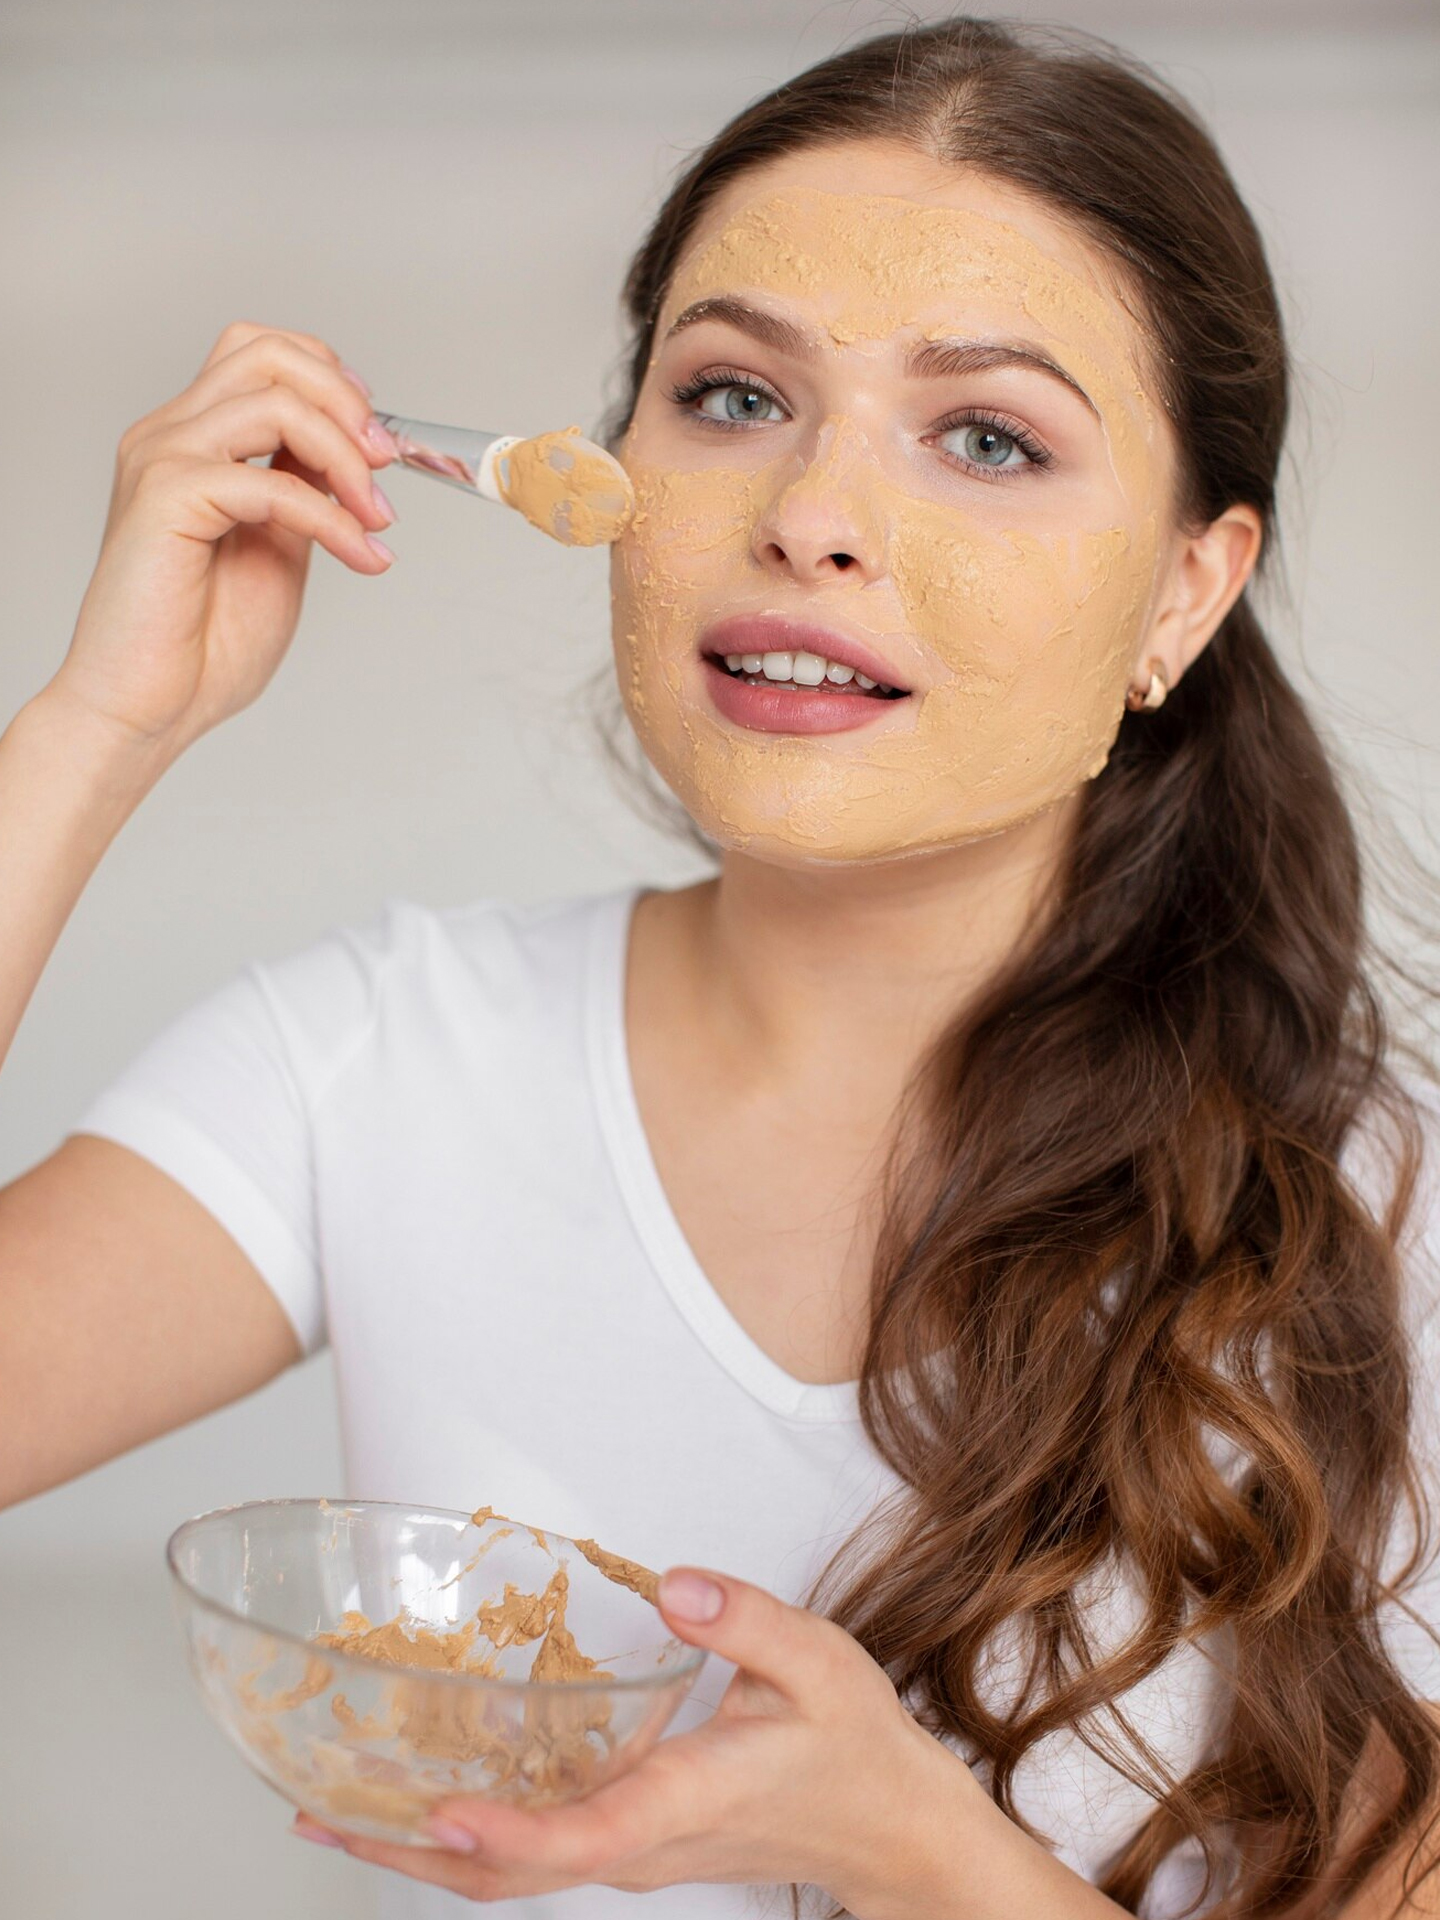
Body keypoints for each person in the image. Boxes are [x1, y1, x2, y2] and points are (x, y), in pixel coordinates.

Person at [3, 16, 1438, 1920]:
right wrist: (94, 727)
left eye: (988, 437)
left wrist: (912, 1853)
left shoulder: (1384, 1227)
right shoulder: (372, 1062)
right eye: (737, 396)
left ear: (1187, 587)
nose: (809, 519)